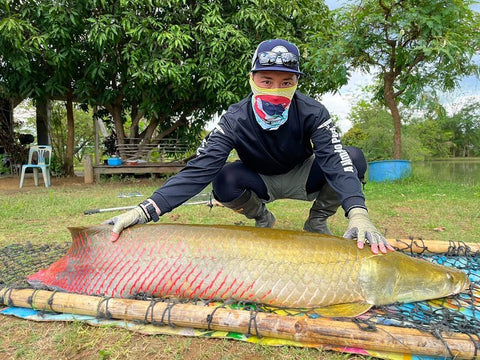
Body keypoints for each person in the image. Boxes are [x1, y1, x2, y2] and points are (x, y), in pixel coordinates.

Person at [106, 39, 394, 255]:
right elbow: (199, 169)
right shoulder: (234, 118)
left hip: (303, 175)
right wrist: (144, 211)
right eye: (266, 80)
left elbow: (334, 159)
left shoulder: (313, 112)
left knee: (352, 157)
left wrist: (358, 213)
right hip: (259, 179)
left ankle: (317, 222)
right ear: (252, 79)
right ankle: (263, 218)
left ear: (296, 83)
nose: (275, 89)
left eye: (286, 82)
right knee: (224, 179)